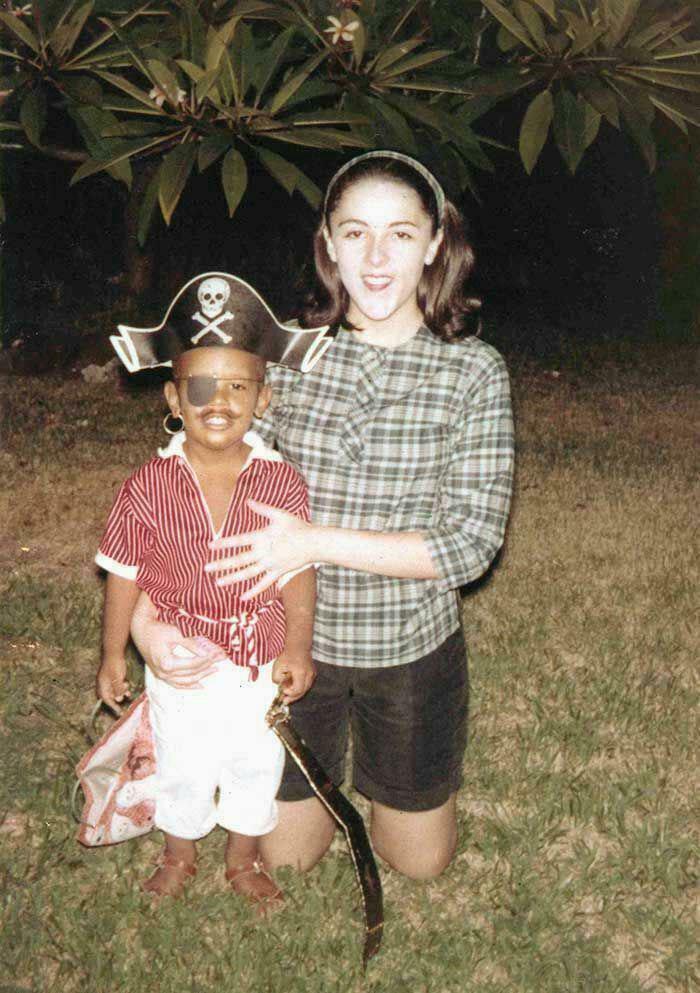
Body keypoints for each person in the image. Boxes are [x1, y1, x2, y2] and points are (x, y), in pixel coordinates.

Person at [133, 152, 515, 881]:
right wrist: (150, 620)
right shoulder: (288, 360)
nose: (375, 257)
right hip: (285, 649)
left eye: (401, 235)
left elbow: (468, 547)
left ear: (435, 244)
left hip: (408, 647)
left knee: (420, 865)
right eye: (356, 233)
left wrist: (312, 541)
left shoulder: (474, 371)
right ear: (329, 243)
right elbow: (191, 497)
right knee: (287, 854)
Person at [91, 274, 319, 907]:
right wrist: (114, 654)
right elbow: (123, 574)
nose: (218, 401)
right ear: (172, 396)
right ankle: (179, 853)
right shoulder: (146, 485)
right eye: (200, 387)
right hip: (180, 660)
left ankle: (243, 860)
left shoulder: (282, 482)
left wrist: (297, 646)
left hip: (259, 659)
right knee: (184, 759)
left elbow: (300, 571)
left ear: (263, 400)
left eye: (238, 387)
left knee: (255, 761)